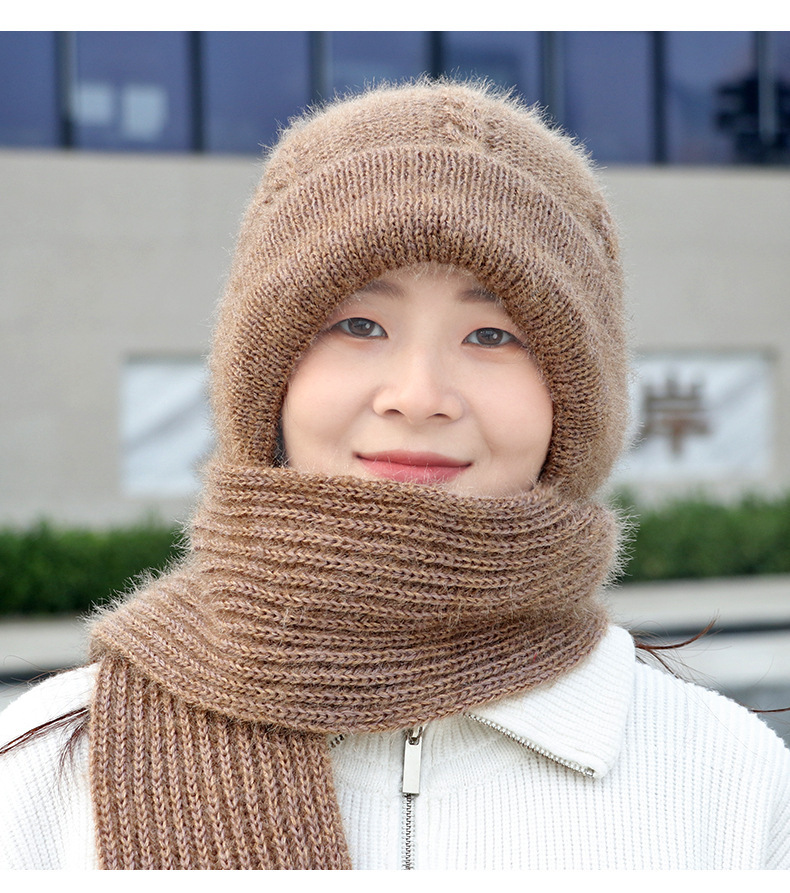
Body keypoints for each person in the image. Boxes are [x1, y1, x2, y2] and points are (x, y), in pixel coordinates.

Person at [1, 80, 789, 871]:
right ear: (265, 375)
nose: (418, 396)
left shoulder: (729, 782)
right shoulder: (50, 770)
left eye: (492, 334)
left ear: (574, 401)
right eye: (358, 323)